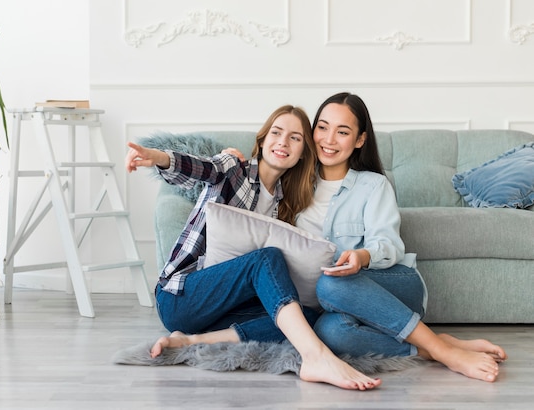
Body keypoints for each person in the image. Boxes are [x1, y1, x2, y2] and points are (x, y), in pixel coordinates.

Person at [125, 105, 381, 390]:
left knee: (305, 316)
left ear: (302, 154)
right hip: (181, 297)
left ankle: (190, 340)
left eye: (295, 138)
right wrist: (158, 158)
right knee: (265, 259)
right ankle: (315, 357)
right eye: (277, 132)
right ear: (262, 140)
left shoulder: (286, 206)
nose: (283, 142)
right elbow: (201, 168)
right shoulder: (234, 170)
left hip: (222, 311)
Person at [298, 92, 507, 383]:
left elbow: (389, 245)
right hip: (337, 300)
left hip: (394, 285)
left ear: (360, 140)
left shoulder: (373, 185)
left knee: (332, 282)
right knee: (330, 333)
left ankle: (446, 353)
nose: (329, 139)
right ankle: (433, 346)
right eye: (322, 127)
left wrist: (362, 256)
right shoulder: (294, 185)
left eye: (342, 131)